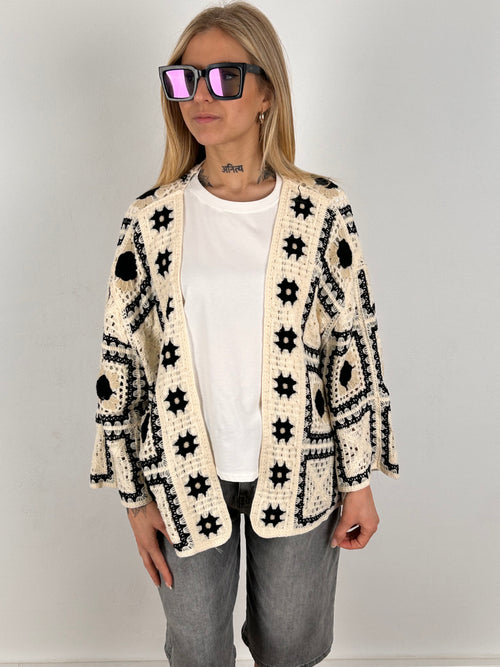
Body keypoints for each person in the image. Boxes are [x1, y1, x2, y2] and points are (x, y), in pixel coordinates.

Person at [89, 2, 400, 665]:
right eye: (184, 79)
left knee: (290, 646)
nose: (199, 96)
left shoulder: (321, 211)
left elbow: (351, 349)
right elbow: (124, 361)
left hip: (302, 466)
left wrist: (359, 479)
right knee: (197, 650)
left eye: (224, 77)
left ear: (267, 93)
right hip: (179, 472)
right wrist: (133, 497)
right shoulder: (151, 220)